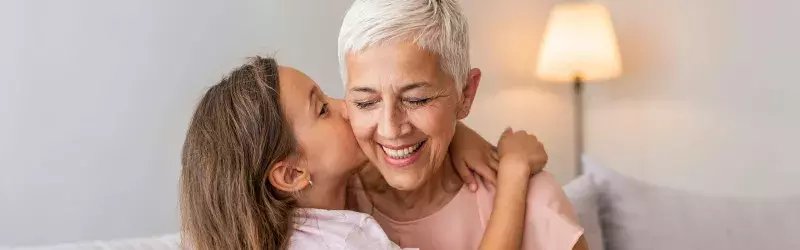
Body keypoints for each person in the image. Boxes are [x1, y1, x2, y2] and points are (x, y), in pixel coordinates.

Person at [179, 56, 549, 250]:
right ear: (291, 174)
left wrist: (455, 131)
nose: (346, 106)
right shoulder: (342, 244)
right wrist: (514, 172)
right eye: (322, 108)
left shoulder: (313, 211)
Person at [338, 0, 589, 249]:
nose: (389, 129)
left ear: (466, 93)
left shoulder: (535, 199)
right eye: (366, 102)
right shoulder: (326, 200)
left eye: (417, 100)